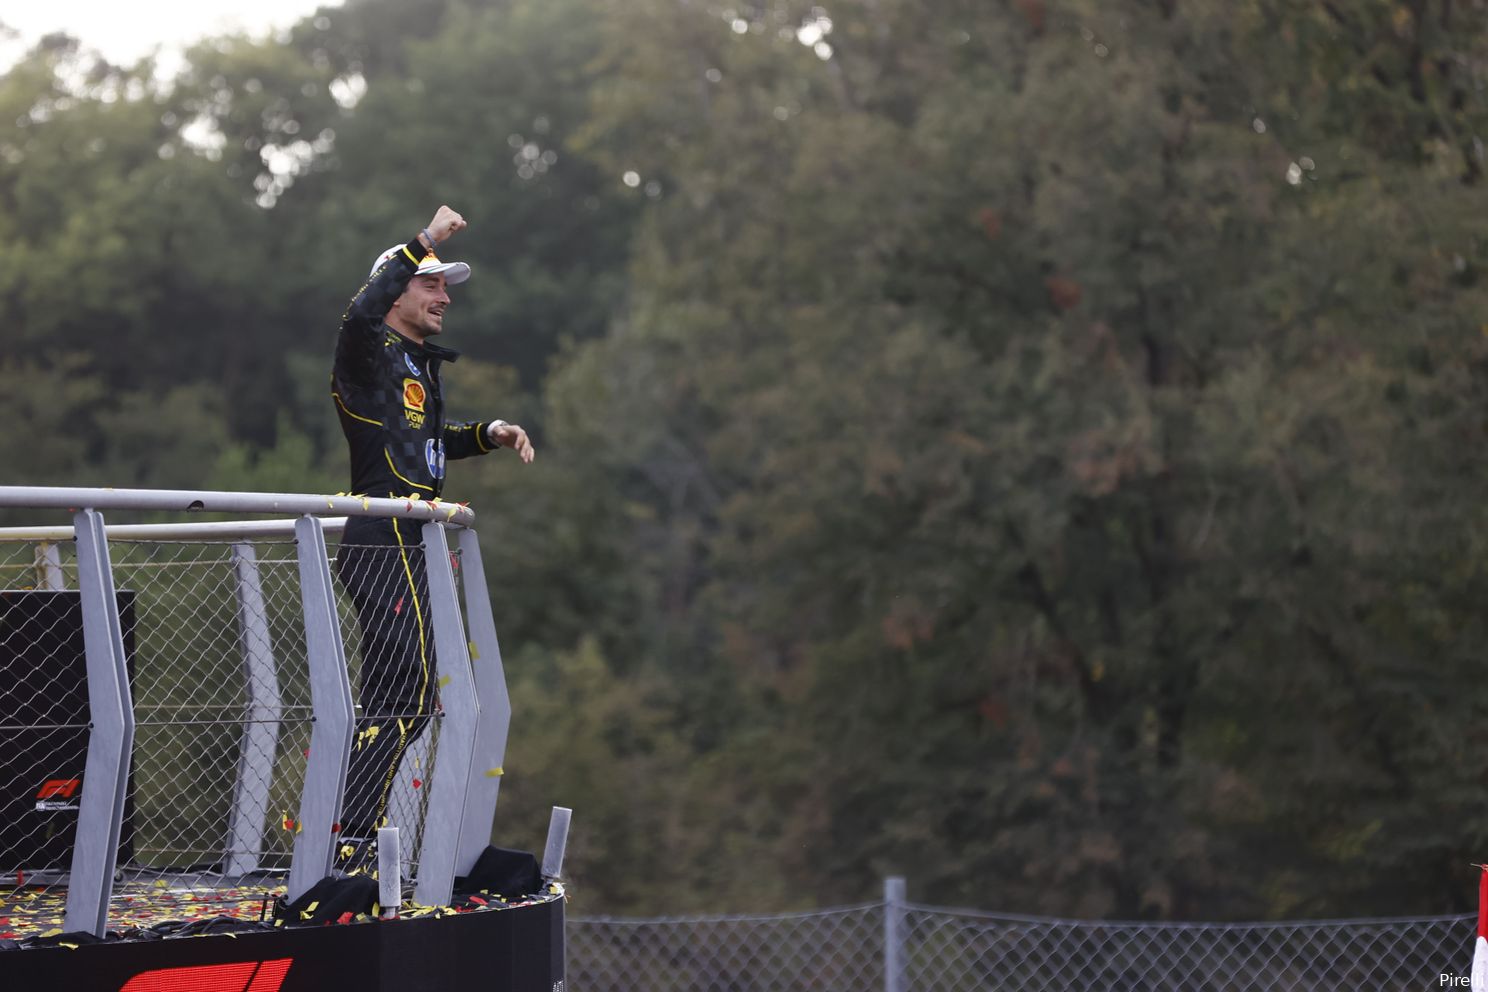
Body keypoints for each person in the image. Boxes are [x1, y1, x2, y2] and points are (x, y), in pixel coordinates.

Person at [330, 205, 533, 868]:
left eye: (446, 285)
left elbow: (424, 443)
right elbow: (359, 314)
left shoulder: (415, 365)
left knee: (402, 697)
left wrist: (489, 435)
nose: (446, 297)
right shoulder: (367, 351)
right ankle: (354, 840)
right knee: (410, 693)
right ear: (397, 292)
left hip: (410, 543)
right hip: (383, 539)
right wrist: (425, 239)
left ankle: (353, 841)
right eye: (432, 283)